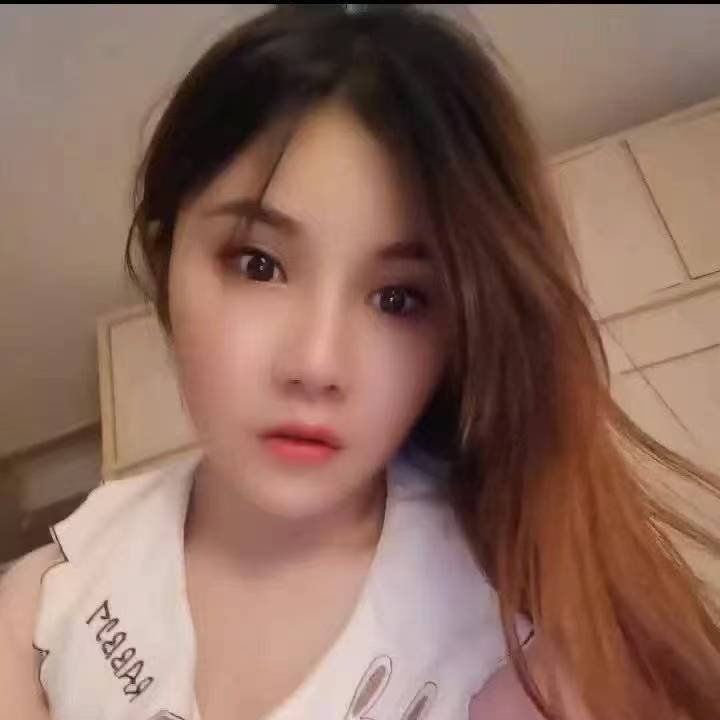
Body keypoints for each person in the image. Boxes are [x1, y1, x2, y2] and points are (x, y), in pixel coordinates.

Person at [1, 5, 719, 719]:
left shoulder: (511, 659)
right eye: (258, 264)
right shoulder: (52, 594)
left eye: (399, 299)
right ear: (165, 259)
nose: (317, 364)